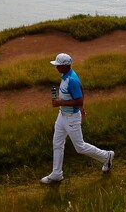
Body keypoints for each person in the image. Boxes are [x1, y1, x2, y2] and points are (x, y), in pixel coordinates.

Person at [41, 53, 115, 184]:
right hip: (62, 116)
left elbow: (79, 99)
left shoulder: (72, 80)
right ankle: (57, 174)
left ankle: (106, 156)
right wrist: (79, 106)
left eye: (58, 65)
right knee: (57, 143)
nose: (56, 67)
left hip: (71, 118)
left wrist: (61, 103)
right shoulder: (66, 75)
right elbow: (81, 89)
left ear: (65, 65)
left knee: (79, 147)